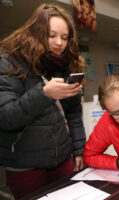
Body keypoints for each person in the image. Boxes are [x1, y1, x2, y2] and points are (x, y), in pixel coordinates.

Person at [0, 4, 86, 199]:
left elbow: (73, 114)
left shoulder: (66, 66)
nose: (59, 43)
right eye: (51, 35)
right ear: (36, 33)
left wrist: (79, 151)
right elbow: (6, 117)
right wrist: (45, 94)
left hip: (63, 159)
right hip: (25, 165)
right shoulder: (10, 63)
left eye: (65, 38)